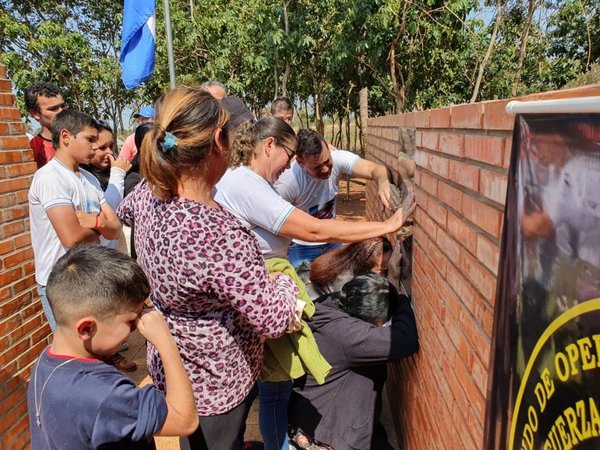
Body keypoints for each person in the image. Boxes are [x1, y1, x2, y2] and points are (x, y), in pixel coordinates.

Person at [214, 117, 415, 450]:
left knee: (272, 383)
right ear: (268, 146)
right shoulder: (249, 184)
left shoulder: (250, 182)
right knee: (271, 386)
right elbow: (314, 230)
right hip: (259, 291)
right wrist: (386, 224)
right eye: (289, 155)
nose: (289, 165)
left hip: (263, 288)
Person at [117, 87, 298, 450]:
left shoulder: (150, 192)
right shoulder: (218, 233)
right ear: (219, 140)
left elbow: (123, 213)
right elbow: (273, 319)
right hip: (217, 378)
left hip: (173, 362)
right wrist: (281, 283)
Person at [28, 245, 198, 450]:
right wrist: (166, 342)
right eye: (131, 320)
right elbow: (185, 420)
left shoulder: (45, 362)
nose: (138, 326)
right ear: (86, 328)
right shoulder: (104, 395)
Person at [288, 273, 419, 450]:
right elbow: (404, 340)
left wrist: (392, 287)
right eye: (382, 323)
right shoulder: (348, 336)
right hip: (328, 435)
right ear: (369, 321)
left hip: (315, 416)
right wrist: (403, 299)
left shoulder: (333, 303)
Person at [28, 110, 122, 332]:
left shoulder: (88, 178)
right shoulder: (51, 178)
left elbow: (116, 228)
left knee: (97, 348)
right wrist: (102, 225)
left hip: (88, 275)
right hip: (62, 283)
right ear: (66, 136)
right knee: (73, 357)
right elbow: (72, 238)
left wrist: (94, 223)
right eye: (89, 140)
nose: (94, 147)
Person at [274, 128, 403, 267]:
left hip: (332, 242)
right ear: (301, 162)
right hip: (301, 248)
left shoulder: (338, 158)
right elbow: (277, 224)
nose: (325, 169)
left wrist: (383, 182)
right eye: (317, 167)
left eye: (327, 160)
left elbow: (376, 169)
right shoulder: (288, 182)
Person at [308, 237, 393, 296]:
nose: (386, 270)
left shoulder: (346, 260)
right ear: (364, 265)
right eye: (382, 267)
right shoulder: (346, 282)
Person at [24, 82, 66, 168]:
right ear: (35, 113)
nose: (61, 112)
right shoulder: (33, 149)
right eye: (53, 109)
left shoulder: (81, 136)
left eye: (63, 106)